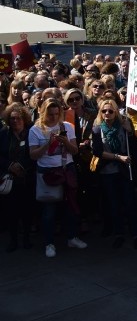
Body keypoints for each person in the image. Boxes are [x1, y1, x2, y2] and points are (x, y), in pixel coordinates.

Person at [29, 98, 86, 258]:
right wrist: (47, 144)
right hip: (48, 173)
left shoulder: (66, 126)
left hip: (66, 169)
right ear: (43, 113)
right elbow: (33, 155)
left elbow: (74, 151)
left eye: (56, 113)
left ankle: (71, 237)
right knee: (49, 211)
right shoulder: (35, 130)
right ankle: (49, 243)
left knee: (71, 206)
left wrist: (65, 142)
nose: (54, 117)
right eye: (50, 114)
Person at [92, 98, 137, 250]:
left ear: (116, 111)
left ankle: (136, 235)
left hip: (124, 171)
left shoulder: (123, 125)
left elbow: (134, 147)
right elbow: (97, 151)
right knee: (114, 204)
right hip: (108, 171)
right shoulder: (97, 129)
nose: (107, 113)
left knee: (130, 203)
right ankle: (119, 234)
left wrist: (130, 132)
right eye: (104, 111)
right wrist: (117, 157)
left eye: (110, 111)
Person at [1, 103, 36, 251]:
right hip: (9, 179)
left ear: (25, 118)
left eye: (19, 118)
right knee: (11, 211)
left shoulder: (32, 133)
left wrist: (22, 166)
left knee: (27, 210)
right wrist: (10, 166)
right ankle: (13, 240)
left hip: (27, 178)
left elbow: (34, 153)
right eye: (13, 118)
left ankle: (27, 238)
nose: (16, 121)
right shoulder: (3, 134)